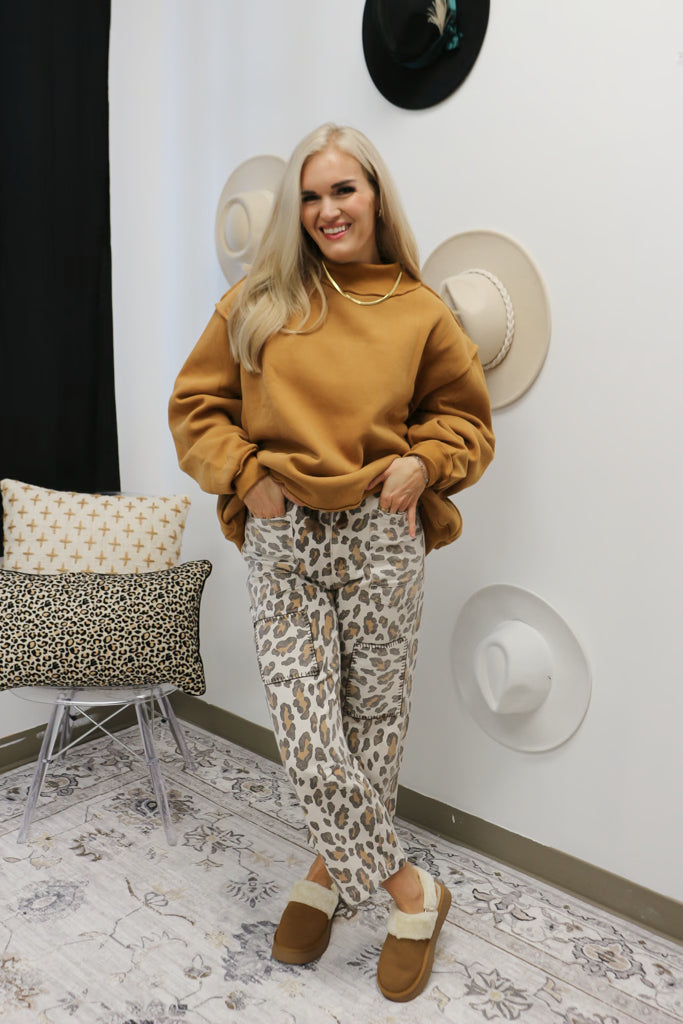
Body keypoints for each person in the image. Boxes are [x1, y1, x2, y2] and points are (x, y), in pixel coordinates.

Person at [169, 122, 494, 1002]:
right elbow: (195, 407)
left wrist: (422, 464)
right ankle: (410, 892)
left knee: (370, 727)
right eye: (310, 196)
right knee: (307, 730)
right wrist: (246, 476)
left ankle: (325, 869)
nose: (326, 210)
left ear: (375, 196)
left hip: (383, 531)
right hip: (284, 535)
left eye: (342, 190)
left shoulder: (418, 310)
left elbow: (465, 421)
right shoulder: (257, 300)